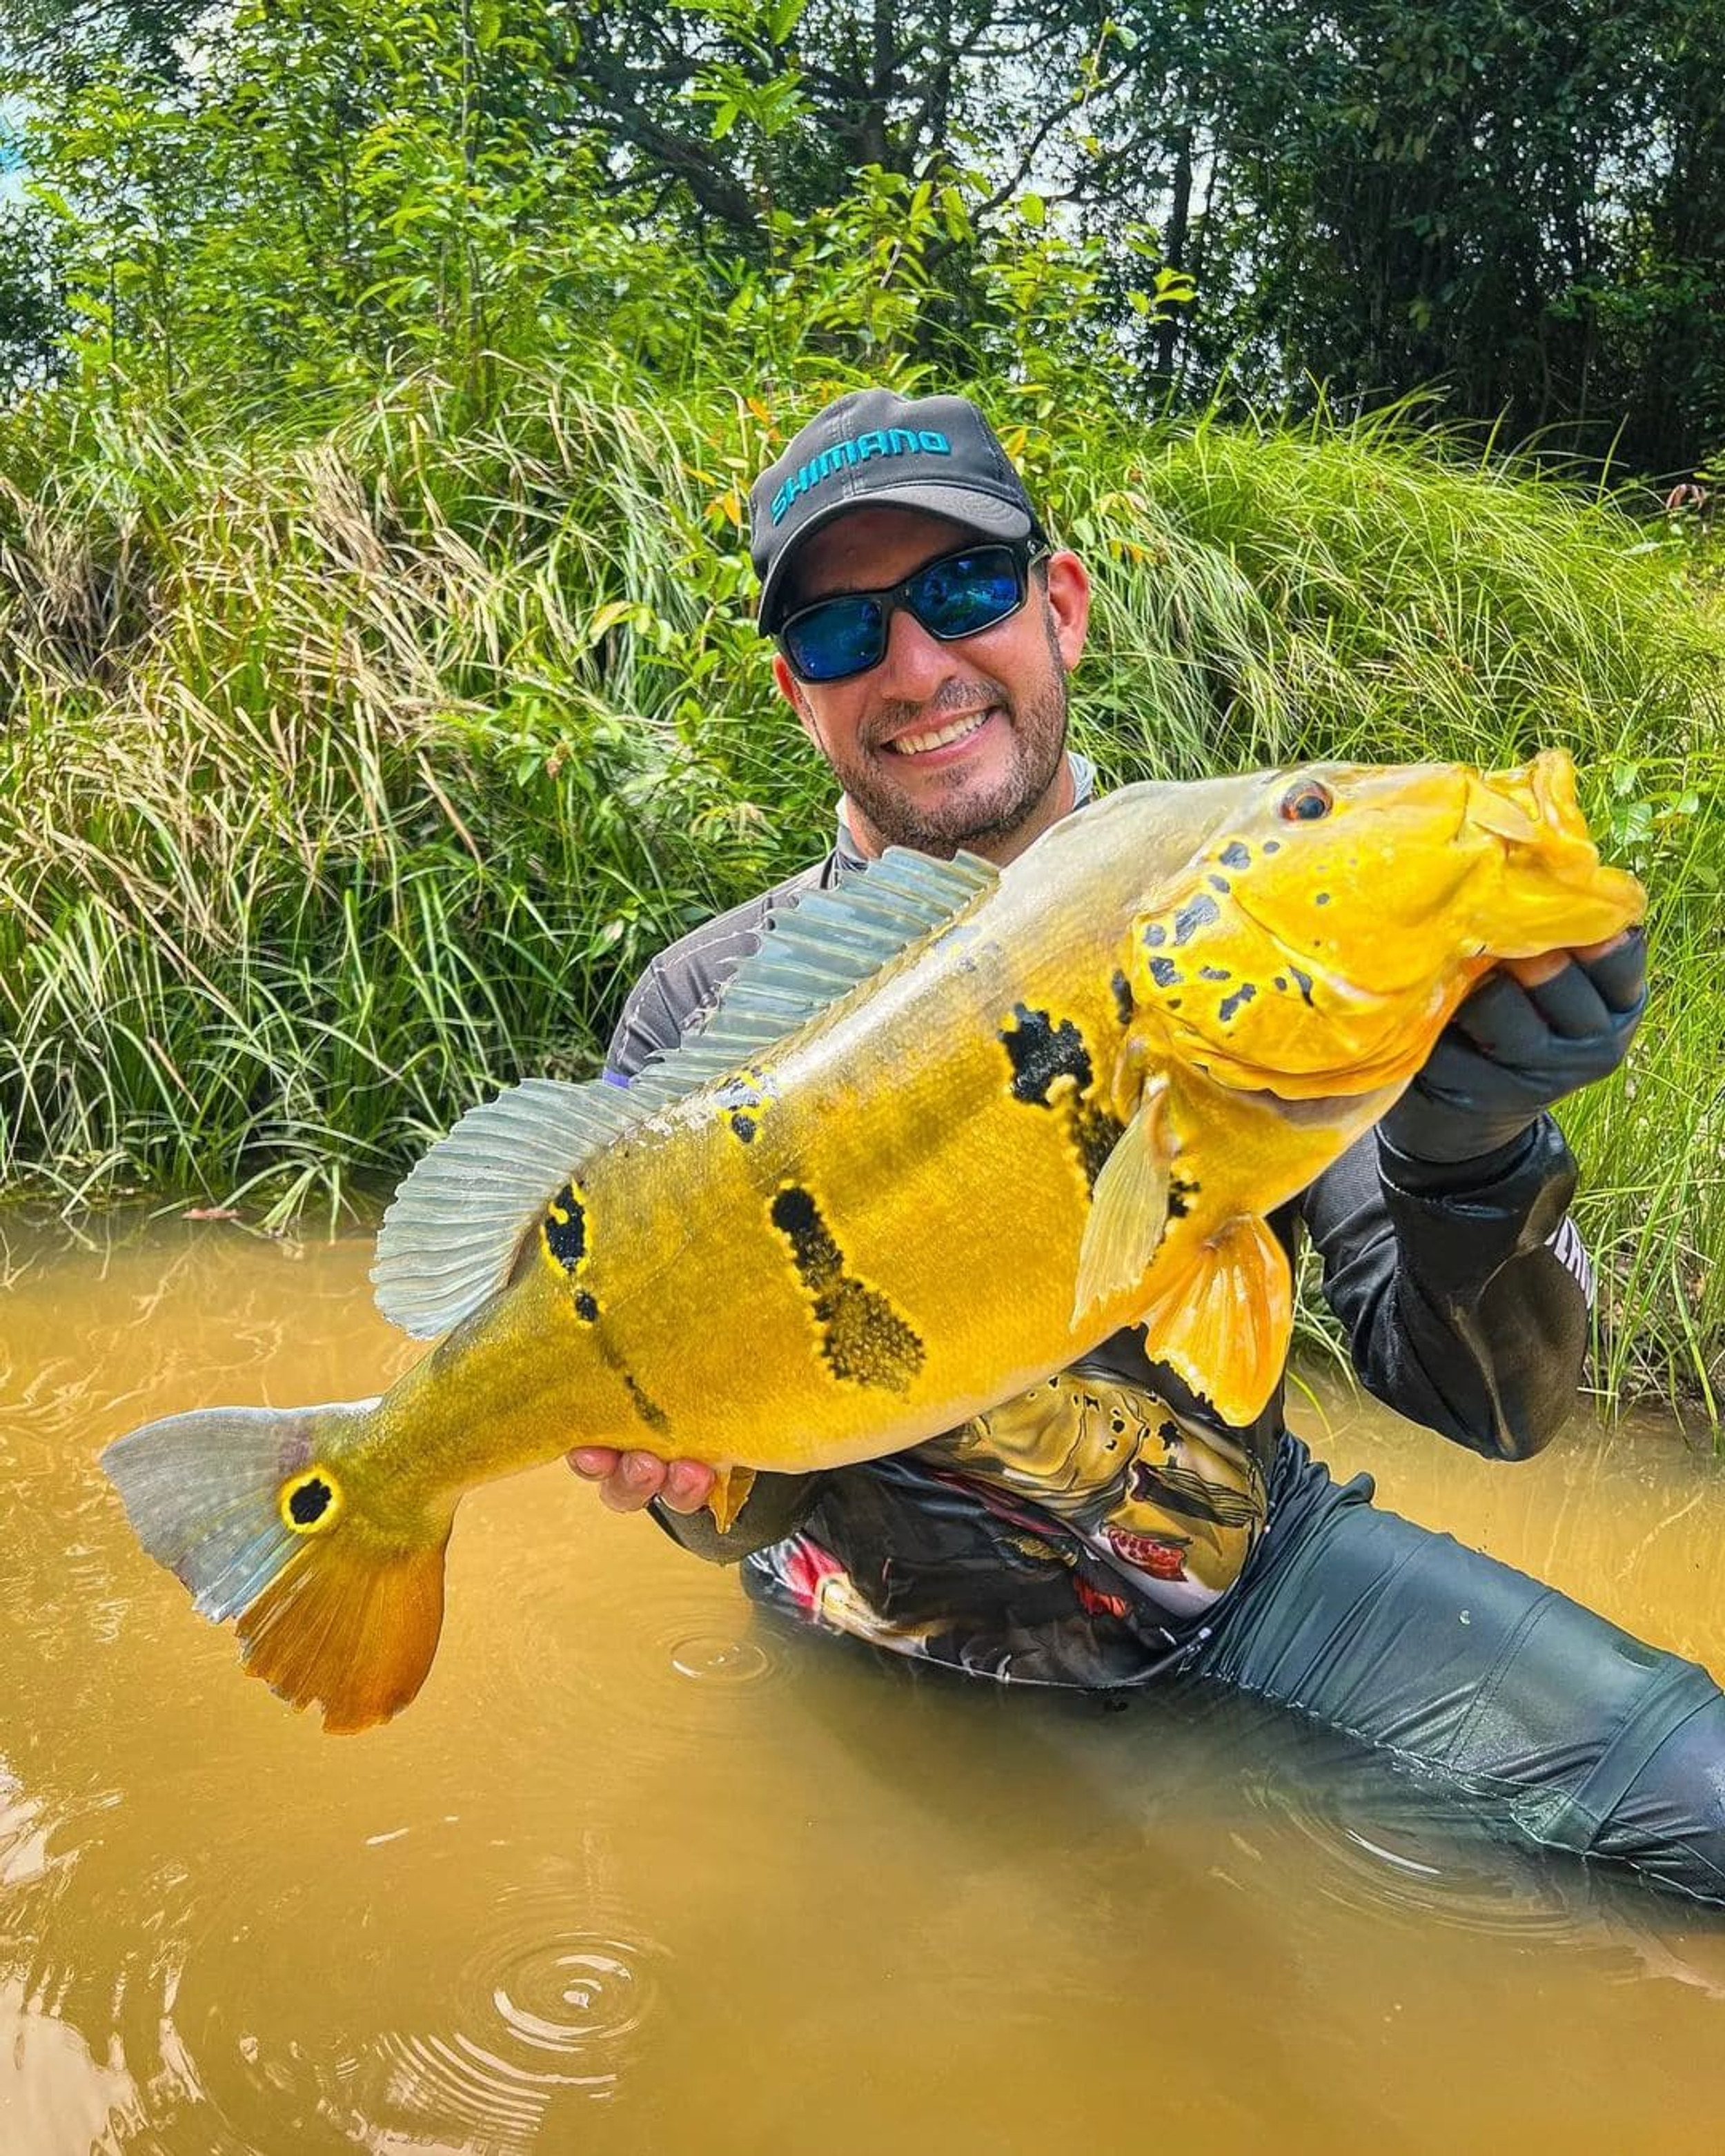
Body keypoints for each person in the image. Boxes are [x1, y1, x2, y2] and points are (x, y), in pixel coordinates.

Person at [571, 388, 1725, 1903]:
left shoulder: (1244, 905)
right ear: (799, 692)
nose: (913, 667)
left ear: (1060, 606)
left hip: (1241, 1588)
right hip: (858, 1629)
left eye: (962, 591)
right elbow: (723, 1511)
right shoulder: (703, 1010)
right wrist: (689, 1478)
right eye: (845, 633)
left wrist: (1478, 1150)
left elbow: (1495, 1409)